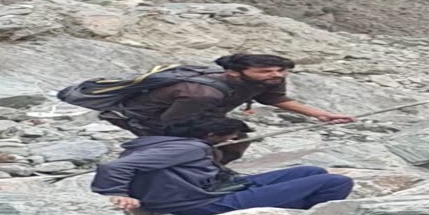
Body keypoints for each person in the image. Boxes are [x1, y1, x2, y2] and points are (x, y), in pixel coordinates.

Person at [102, 53, 355, 163]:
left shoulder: (267, 80)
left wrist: (321, 115)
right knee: (197, 146)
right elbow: (170, 125)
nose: (276, 75)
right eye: (265, 71)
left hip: (199, 113)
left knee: (235, 139)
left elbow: (273, 100)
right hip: (150, 118)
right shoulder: (203, 91)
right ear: (235, 73)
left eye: (280, 70)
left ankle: (211, 168)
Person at [91, 118, 354, 215]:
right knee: (336, 182)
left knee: (309, 172)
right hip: (199, 202)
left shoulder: (166, 143)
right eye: (234, 138)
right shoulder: (190, 148)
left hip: (210, 188)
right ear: (216, 136)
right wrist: (117, 193)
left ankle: (290, 205)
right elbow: (115, 167)